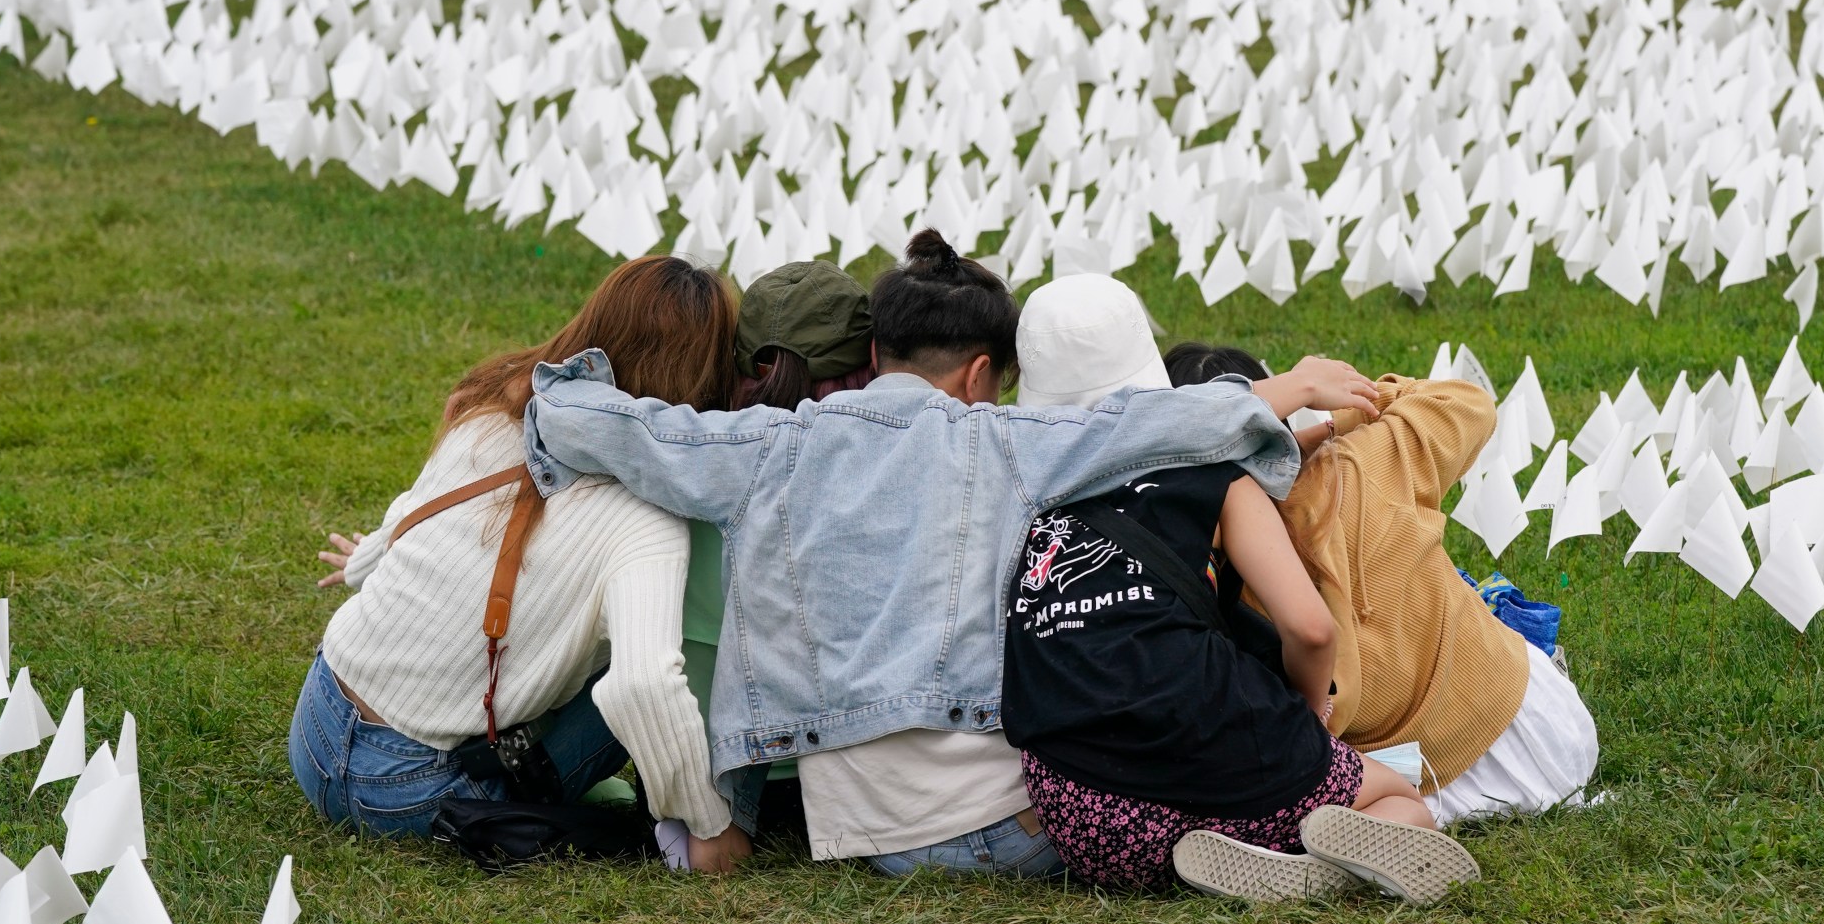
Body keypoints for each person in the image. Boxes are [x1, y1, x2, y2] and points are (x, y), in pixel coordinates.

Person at [518, 230, 1377, 879]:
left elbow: (638, 431)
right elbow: (1141, 423)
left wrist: (554, 396)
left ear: (873, 354)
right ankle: (1279, 825)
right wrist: (1291, 387)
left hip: (855, 835)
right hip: (1006, 830)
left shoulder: (767, 446)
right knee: (1159, 749)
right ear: (977, 375)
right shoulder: (999, 441)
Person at [1004, 275, 1478, 903]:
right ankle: (1313, 869)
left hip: (1084, 822)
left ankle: (1235, 850)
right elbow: (1311, 629)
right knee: (1402, 800)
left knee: (1205, 792)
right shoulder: (1218, 479)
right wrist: (1309, 718)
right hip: (1217, 743)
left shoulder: (1029, 491)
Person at [293, 255, 752, 873]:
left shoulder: (495, 409)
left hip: (317, 723)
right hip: (410, 796)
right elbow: (644, 686)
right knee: (656, 654)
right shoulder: (647, 516)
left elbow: (421, 505)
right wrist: (710, 824)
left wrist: (369, 562)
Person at [1166, 342, 1600, 827]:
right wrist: (1336, 424)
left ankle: (1321, 834)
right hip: (1542, 727)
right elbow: (1468, 402)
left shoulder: (1190, 557)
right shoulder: (1366, 459)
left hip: (1413, 775)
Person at [672, 259, 876, 851]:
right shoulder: (881, 477)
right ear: (869, 363)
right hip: (844, 780)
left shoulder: (684, 459)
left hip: (712, 772)